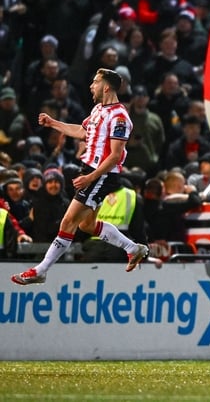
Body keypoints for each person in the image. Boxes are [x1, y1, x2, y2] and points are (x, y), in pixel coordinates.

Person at [11, 69, 149, 285]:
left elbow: (114, 156)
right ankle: (134, 248)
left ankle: (41, 270)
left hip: (101, 175)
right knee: (86, 225)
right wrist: (53, 123)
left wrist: (90, 177)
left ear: (106, 87)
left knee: (68, 221)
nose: (91, 86)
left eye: (95, 82)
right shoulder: (97, 110)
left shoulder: (120, 117)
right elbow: (82, 132)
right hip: (90, 172)